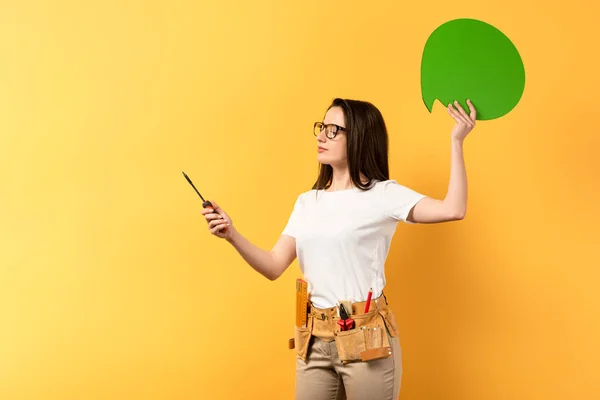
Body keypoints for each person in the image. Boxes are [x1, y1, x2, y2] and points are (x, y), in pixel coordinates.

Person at [201, 97, 477, 399]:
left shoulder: (383, 195)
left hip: (365, 337)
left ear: (359, 136)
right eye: (322, 127)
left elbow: (453, 208)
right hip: (314, 341)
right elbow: (273, 265)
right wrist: (232, 234)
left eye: (334, 130)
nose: (321, 136)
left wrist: (456, 141)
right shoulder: (308, 202)